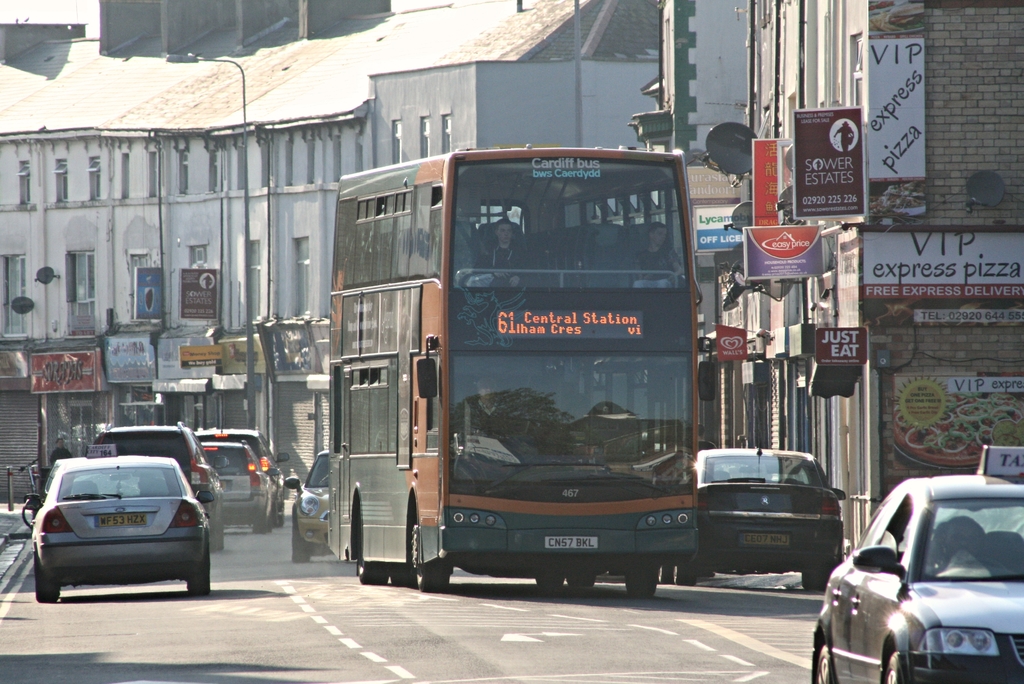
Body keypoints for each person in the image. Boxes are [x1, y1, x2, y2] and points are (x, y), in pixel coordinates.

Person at [475, 218, 526, 287]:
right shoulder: (487, 250)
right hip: (490, 287)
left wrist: (518, 277)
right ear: (496, 232)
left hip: (514, 287)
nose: (506, 233)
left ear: (512, 233)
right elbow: (478, 268)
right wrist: (493, 272)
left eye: (509, 230)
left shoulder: (520, 250)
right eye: (502, 230)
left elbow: (527, 270)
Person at [634, 222, 683, 288]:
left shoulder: (668, 252)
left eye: (665, 235)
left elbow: (679, 270)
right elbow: (640, 277)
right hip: (648, 282)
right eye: (660, 234)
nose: (663, 237)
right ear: (651, 235)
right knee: (637, 284)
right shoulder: (641, 255)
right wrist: (647, 277)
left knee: (662, 283)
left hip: (665, 281)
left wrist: (674, 275)